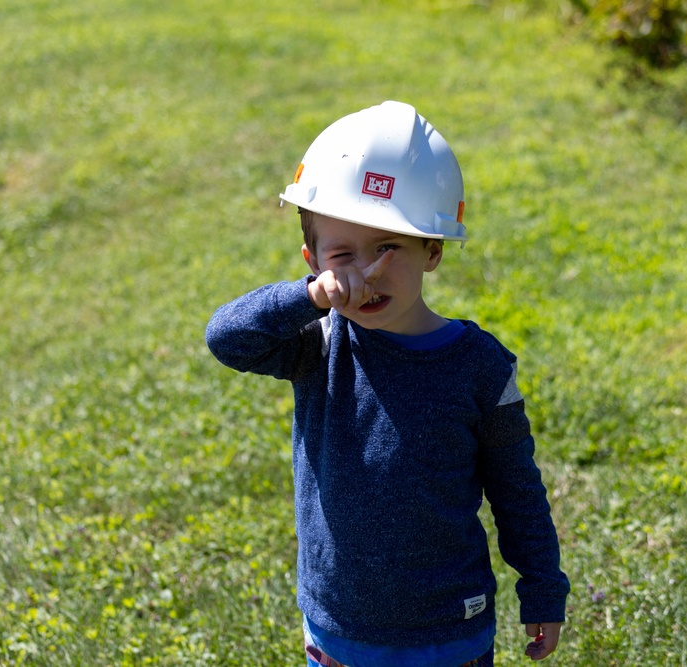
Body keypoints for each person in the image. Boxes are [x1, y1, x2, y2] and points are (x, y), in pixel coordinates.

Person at [206, 101, 570, 667]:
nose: (365, 274)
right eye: (343, 254)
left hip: (451, 631)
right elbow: (225, 338)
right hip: (339, 629)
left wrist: (542, 587)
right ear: (313, 259)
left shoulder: (482, 368)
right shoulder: (319, 343)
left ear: (433, 249)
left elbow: (517, 490)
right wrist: (305, 297)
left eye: (388, 248)